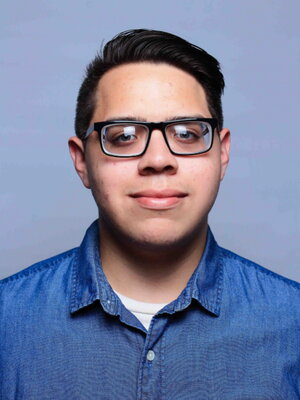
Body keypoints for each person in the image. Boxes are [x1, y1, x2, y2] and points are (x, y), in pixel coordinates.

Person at [0, 29, 299, 399]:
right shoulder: (6, 322)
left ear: (222, 154)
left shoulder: (293, 323)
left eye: (188, 134)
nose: (158, 160)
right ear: (82, 162)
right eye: (123, 135)